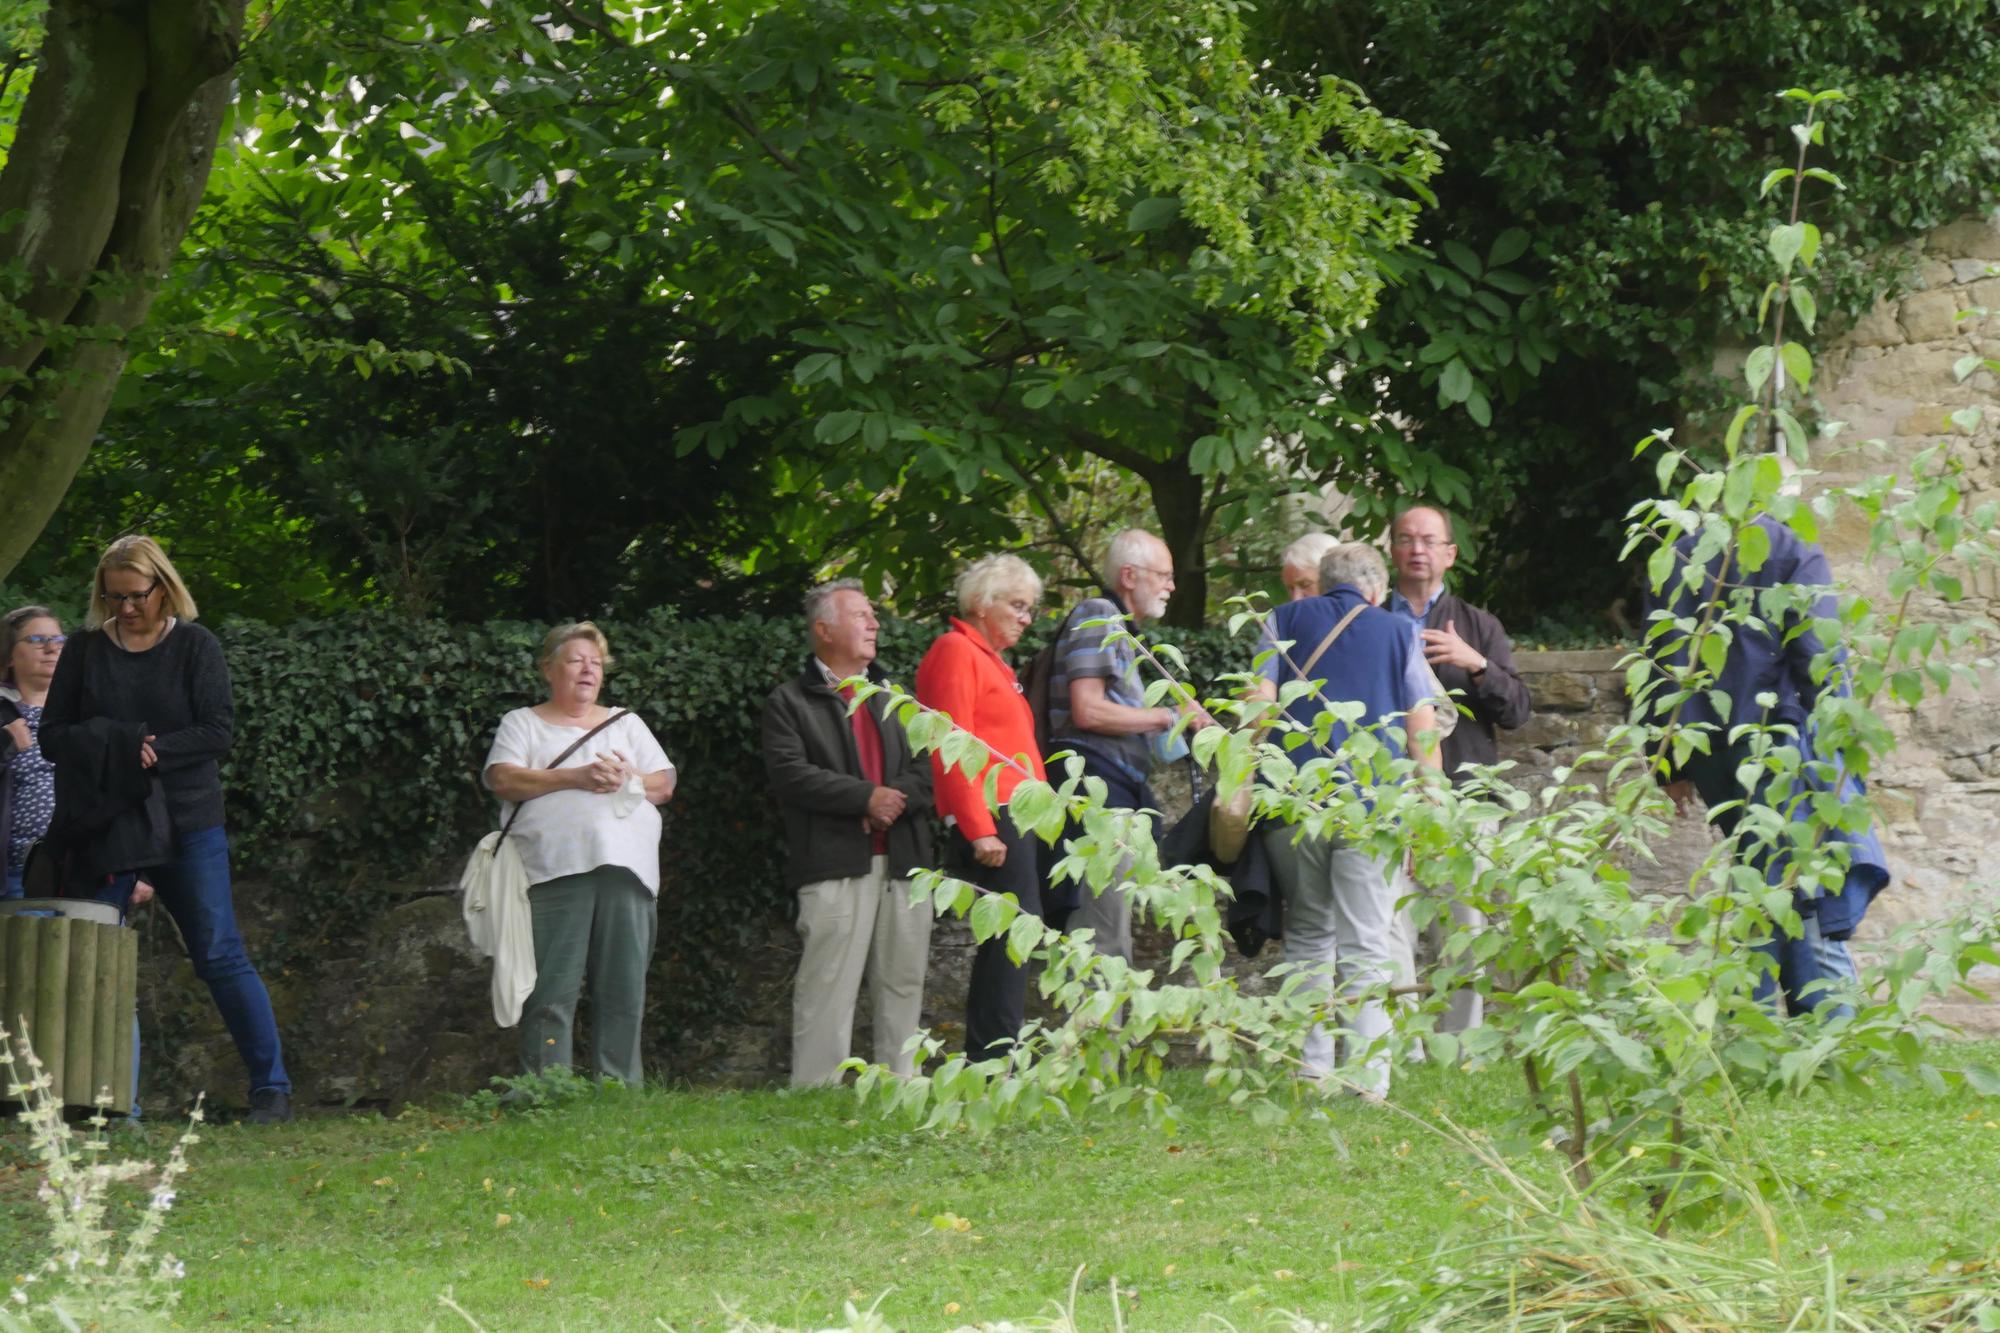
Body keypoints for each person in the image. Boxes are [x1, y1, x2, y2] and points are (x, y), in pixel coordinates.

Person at [40, 536, 292, 1121]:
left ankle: (271, 1090)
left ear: (164, 587)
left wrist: (152, 751)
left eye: (136, 595)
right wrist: (118, 746)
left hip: (188, 822)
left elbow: (217, 731)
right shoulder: (84, 650)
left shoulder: (196, 646)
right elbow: (53, 735)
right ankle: (100, 1102)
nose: (126, 607)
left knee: (219, 954)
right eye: (114, 596)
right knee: (92, 957)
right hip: (108, 824)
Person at [1647, 514, 1885, 1015]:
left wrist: (1668, 765)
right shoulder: (1789, 547)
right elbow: (1818, 652)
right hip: (1777, 741)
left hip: (1706, 748)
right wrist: (1842, 738)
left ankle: (1764, 1027)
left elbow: (1660, 658)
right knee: (1802, 886)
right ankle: (1824, 1031)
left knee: (1766, 880)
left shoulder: (1680, 551)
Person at [1253, 543, 1442, 1100]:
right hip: (1372, 807)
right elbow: (1422, 731)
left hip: (1293, 802)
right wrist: (1430, 807)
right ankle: (1369, 1079)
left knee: (1308, 933)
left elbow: (1258, 707)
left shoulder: (1280, 619)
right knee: (1367, 942)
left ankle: (1311, 1071)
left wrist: (1244, 777)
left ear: (1322, 579)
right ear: (1377, 590)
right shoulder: (1400, 632)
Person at [483, 622, 676, 1085]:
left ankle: (618, 1088)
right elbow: (502, 778)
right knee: (551, 988)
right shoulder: (522, 723)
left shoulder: (626, 723)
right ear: (549, 669)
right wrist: (575, 777)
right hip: (555, 869)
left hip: (628, 870)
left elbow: (664, 784)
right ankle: (545, 1091)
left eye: (596, 663)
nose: (589, 670)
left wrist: (627, 778)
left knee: (624, 987)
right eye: (575, 661)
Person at [762, 580, 936, 1085]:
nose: (875, 623)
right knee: (827, 984)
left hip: (906, 862)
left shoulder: (897, 697)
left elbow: (929, 767)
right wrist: (864, 798)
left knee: (904, 981)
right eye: (861, 615)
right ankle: (817, 1091)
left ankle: (902, 1086)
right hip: (834, 862)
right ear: (824, 630)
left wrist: (890, 800)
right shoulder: (790, 702)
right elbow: (790, 775)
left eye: (872, 615)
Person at [1384, 504, 1531, 1034]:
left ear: (1450, 554)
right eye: (1406, 539)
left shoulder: (1478, 625)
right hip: (1388, 798)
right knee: (1389, 926)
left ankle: (1460, 1046)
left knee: (1463, 930)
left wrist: (1477, 664)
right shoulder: (1372, 620)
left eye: (1429, 541)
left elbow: (1517, 712)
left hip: (1465, 798)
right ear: (1391, 551)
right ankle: (1398, 1044)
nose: (1417, 550)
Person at [1044, 529, 1209, 961]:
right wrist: (1168, 716)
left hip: (1114, 790)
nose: (1172, 586)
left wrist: (1174, 725)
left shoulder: (1120, 630)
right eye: (1164, 575)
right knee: (1102, 938)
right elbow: (1088, 711)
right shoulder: (1097, 615)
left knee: (1110, 931)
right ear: (1130, 576)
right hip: (1097, 792)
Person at [914, 554, 1049, 1059]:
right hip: (995, 813)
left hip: (1015, 813)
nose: (1026, 618)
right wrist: (978, 827)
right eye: (1017, 605)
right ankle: (992, 1058)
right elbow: (952, 743)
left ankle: (996, 1055)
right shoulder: (955, 649)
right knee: (1013, 934)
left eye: (1029, 608)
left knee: (1016, 934)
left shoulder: (989, 658)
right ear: (982, 603)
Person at [3, 607, 64, 899]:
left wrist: (135, 872)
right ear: (9, 655)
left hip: (85, 870)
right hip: (15, 874)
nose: (51, 648)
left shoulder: (86, 712)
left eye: (59, 639)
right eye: (37, 639)